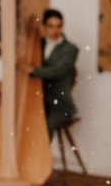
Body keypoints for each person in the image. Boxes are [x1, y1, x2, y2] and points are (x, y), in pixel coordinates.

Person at [29, 8, 79, 138]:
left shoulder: (71, 49)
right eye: (50, 26)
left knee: (45, 125)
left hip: (60, 105)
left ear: (63, 26)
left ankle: (42, 151)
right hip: (39, 101)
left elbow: (56, 71)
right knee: (28, 122)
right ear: (44, 27)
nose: (55, 31)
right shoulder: (37, 45)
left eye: (58, 26)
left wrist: (32, 70)